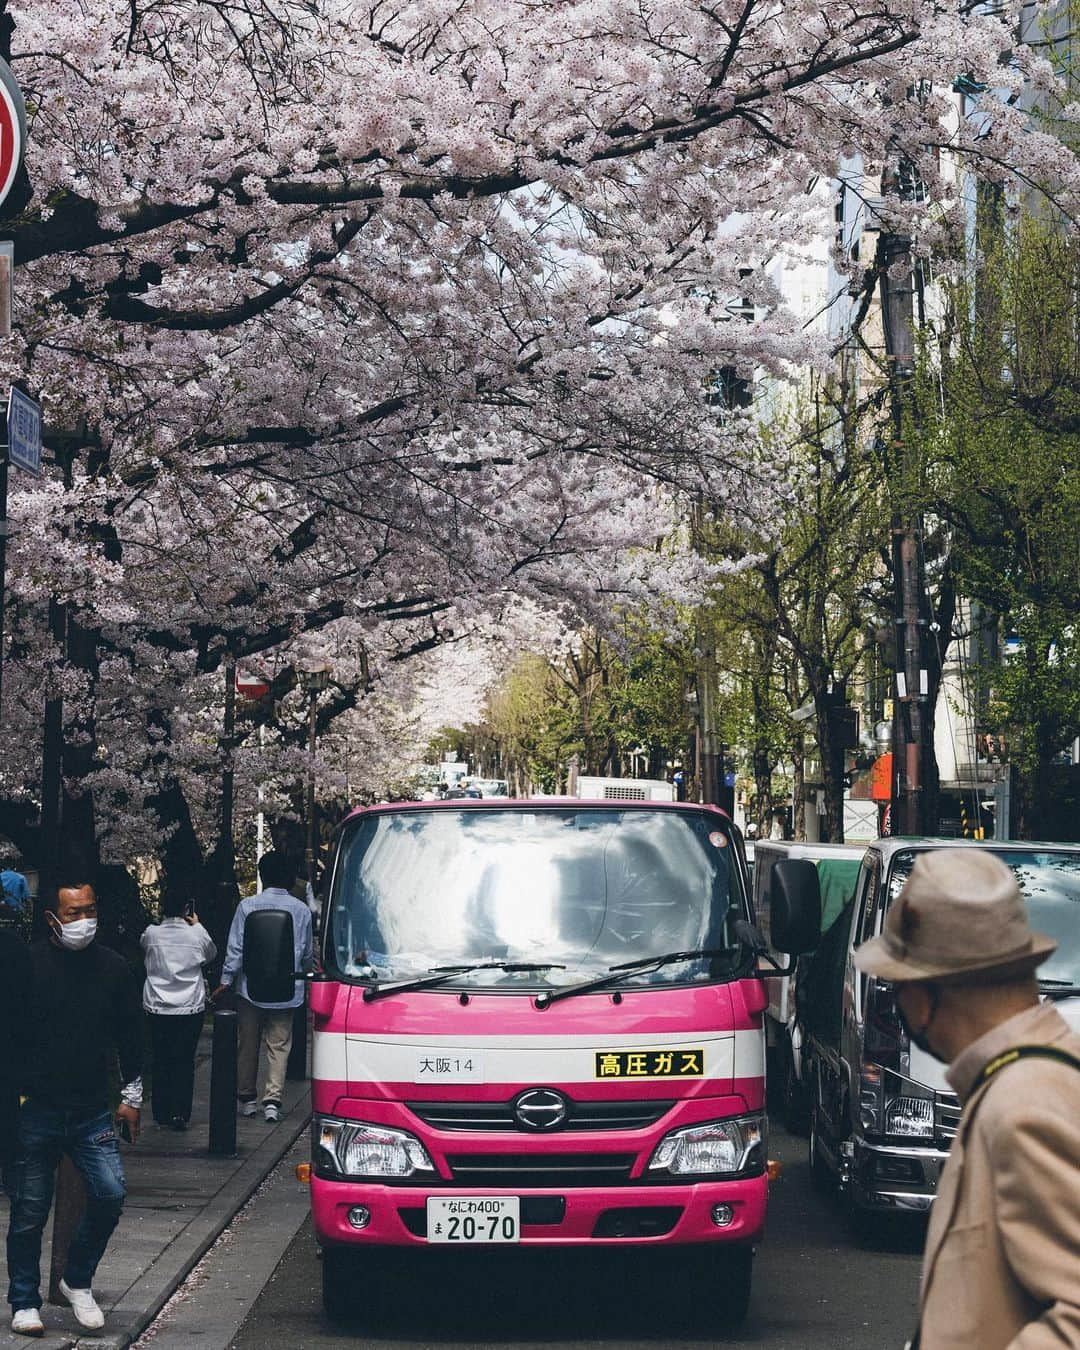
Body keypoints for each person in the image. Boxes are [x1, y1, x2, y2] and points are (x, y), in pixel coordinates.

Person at [853, 848, 1080, 1350]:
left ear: (935, 989)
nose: (897, 1001)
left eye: (899, 984)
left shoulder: (1025, 1103)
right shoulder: (1024, 1079)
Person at [5, 868, 143, 1338]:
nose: (84, 920)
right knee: (29, 1208)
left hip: (91, 1108)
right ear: (52, 918)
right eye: (73, 913)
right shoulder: (28, 966)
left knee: (110, 1192)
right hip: (38, 1104)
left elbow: (131, 1034)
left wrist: (131, 1095)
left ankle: (77, 1278)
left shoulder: (113, 968)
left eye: (89, 911)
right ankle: (23, 1300)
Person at [214, 853, 312, 1124]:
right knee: (279, 1046)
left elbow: (236, 947)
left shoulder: (248, 906)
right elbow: (305, 951)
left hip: (251, 987)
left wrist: (225, 980)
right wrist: (305, 977)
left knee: (247, 1043)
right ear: (290, 878)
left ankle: (247, 1098)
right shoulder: (301, 910)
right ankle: (273, 1100)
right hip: (287, 988)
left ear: (262, 875)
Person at [140, 894, 217, 1131]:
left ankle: (160, 1111)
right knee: (184, 1059)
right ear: (187, 907)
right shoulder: (196, 934)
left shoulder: (152, 933)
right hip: (189, 1004)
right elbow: (211, 953)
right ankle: (180, 1112)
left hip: (158, 1003)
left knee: (160, 1057)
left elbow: (143, 946)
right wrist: (198, 924)